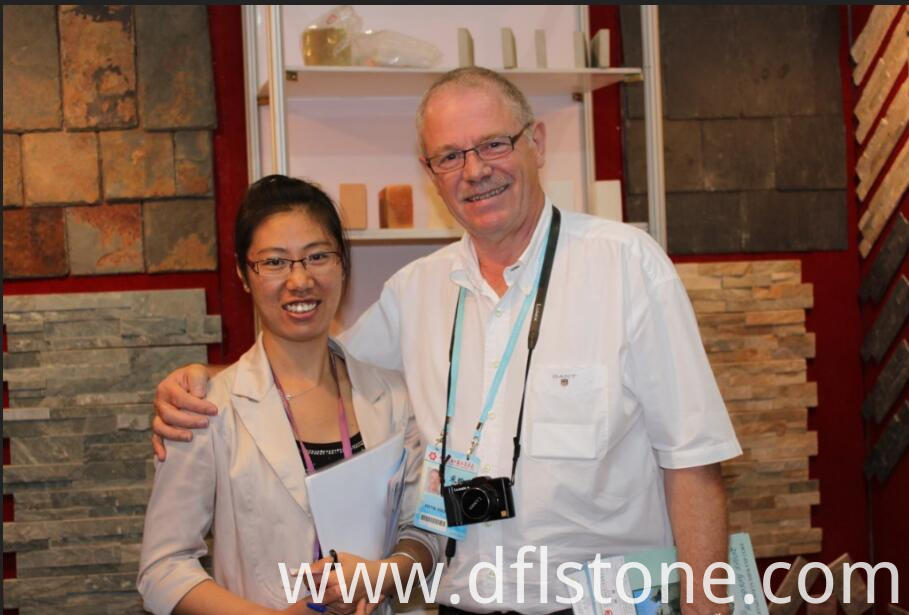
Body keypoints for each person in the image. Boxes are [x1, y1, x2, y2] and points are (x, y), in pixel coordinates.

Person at [152, 67, 742, 615]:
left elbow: (693, 463)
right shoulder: (416, 292)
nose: (475, 171)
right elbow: (312, 361)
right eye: (450, 156)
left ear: (536, 142)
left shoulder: (626, 267)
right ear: (430, 173)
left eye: (493, 144)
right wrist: (203, 383)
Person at [137, 175, 440, 615]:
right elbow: (163, 569)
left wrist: (384, 574)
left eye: (318, 256)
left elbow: (424, 531)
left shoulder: (394, 396)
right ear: (244, 274)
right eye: (275, 262)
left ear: (343, 264)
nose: (300, 280)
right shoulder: (206, 408)